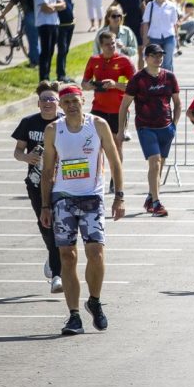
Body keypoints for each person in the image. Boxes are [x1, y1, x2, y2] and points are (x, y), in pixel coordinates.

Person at [39, 84, 125, 336]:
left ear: (83, 100)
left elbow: (114, 159)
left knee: (96, 252)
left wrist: (119, 196)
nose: (71, 105)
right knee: (68, 256)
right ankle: (74, 315)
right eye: (65, 102)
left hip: (92, 198)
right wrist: (45, 205)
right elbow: (47, 171)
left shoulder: (97, 125)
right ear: (60, 106)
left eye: (74, 100)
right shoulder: (54, 130)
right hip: (63, 198)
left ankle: (94, 301)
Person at [117, 44, 181, 218]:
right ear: (146, 57)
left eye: (161, 55)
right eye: (154, 55)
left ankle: (151, 197)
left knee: (159, 167)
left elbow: (177, 102)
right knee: (155, 163)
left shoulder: (169, 77)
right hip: (146, 127)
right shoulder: (138, 79)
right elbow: (124, 107)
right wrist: (121, 131)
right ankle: (156, 203)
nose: (158, 58)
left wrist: (174, 124)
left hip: (166, 128)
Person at [12, 81, 63, 292]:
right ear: (38, 103)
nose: (48, 103)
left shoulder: (65, 122)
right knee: (45, 227)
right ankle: (52, 256)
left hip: (62, 184)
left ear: (58, 102)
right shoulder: (28, 123)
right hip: (35, 184)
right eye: (44, 99)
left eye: (52, 99)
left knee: (58, 228)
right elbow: (17, 152)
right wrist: (27, 157)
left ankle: (57, 275)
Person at [82, 30, 135, 154]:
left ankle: (116, 174)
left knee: (117, 147)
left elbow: (135, 87)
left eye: (113, 43)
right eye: (107, 44)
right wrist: (89, 86)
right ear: (101, 46)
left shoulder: (124, 61)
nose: (111, 47)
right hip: (98, 109)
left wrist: (115, 85)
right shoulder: (94, 60)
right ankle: (99, 173)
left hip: (119, 110)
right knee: (96, 146)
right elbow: (84, 83)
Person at [34, 0, 65, 82]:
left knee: (51, 50)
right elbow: (45, 8)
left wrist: (53, 7)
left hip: (54, 22)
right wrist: (55, 6)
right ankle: (43, 77)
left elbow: (63, 4)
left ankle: (47, 74)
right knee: (45, 51)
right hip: (44, 23)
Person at [141, 0, 179, 72]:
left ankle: (169, 83)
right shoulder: (150, 5)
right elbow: (145, 22)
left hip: (169, 37)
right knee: (155, 62)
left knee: (168, 62)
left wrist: (177, 38)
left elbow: (175, 23)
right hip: (154, 37)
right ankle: (157, 82)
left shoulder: (172, 6)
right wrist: (145, 38)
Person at [112, 0, 145, 66]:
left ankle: (140, 76)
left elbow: (144, 11)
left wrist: (146, 26)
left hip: (138, 28)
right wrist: (118, 16)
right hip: (127, 28)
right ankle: (128, 74)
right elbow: (111, 9)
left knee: (141, 53)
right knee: (126, 53)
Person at [53, 0, 74, 82]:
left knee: (66, 50)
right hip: (60, 26)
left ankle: (63, 73)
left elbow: (71, 6)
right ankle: (60, 75)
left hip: (70, 25)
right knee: (62, 49)